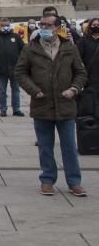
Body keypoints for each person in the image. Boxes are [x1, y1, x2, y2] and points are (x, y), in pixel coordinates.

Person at [15, 13, 88, 196]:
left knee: (70, 147)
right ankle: (47, 180)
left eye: (48, 25)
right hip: (42, 104)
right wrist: (34, 90)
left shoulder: (69, 47)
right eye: (42, 24)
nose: (44, 28)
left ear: (57, 27)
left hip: (65, 104)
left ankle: (74, 182)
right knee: (45, 146)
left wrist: (74, 89)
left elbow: (81, 73)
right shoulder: (30, 48)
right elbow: (20, 73)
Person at [0, 18, 26, 117]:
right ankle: (3, 109)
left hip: (15, 68)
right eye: (3, 25)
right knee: (2, 91)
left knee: (16, 90)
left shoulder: (16, 37)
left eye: (7, 25)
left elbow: (23, 50)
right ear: (0, 26)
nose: (5, 27)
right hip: (1, 69)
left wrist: (20, 63)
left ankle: (16, 109)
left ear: (10, 26)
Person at [76, 18, 99, 117]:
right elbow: (77, 56)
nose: (96, 27)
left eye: (98, 25)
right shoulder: (84, 40)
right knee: (91, 97)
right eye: (94, 25)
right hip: (89, 74)